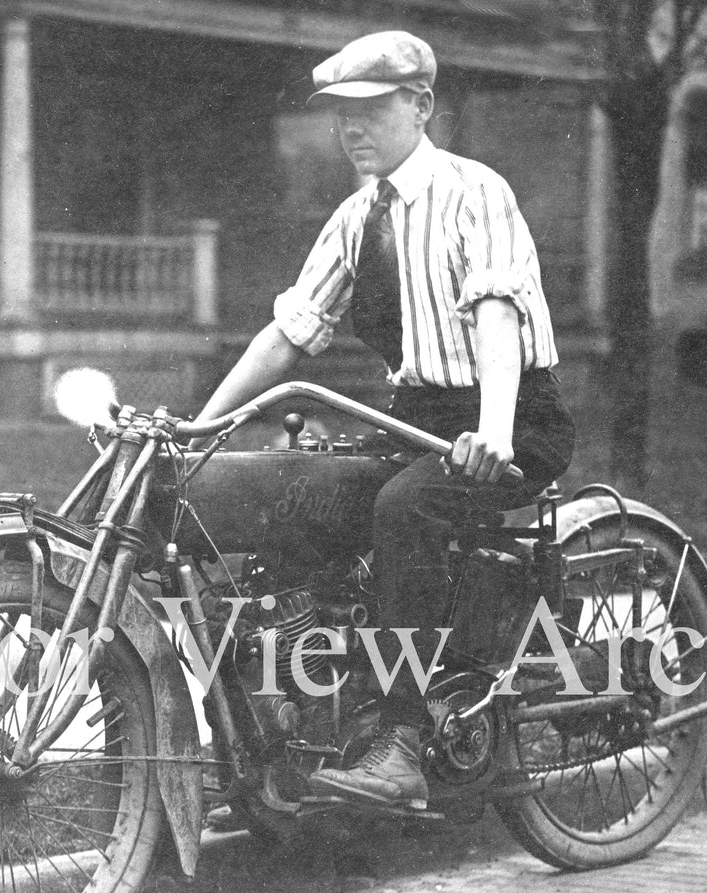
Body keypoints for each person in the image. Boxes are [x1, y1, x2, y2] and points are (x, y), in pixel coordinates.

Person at [195, 30, 575, 809]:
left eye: (369, 109)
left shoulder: (474, 191)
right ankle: (308, 710)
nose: (350, 127)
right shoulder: (356, 217)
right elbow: (289, 332)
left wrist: (493, 430)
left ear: (421, 105)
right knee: (296, 498)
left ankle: (401, 740)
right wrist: (197, 430)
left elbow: (497, 315)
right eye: (340, 113)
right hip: (417, 421)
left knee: (404, 510)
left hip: (512, 417)